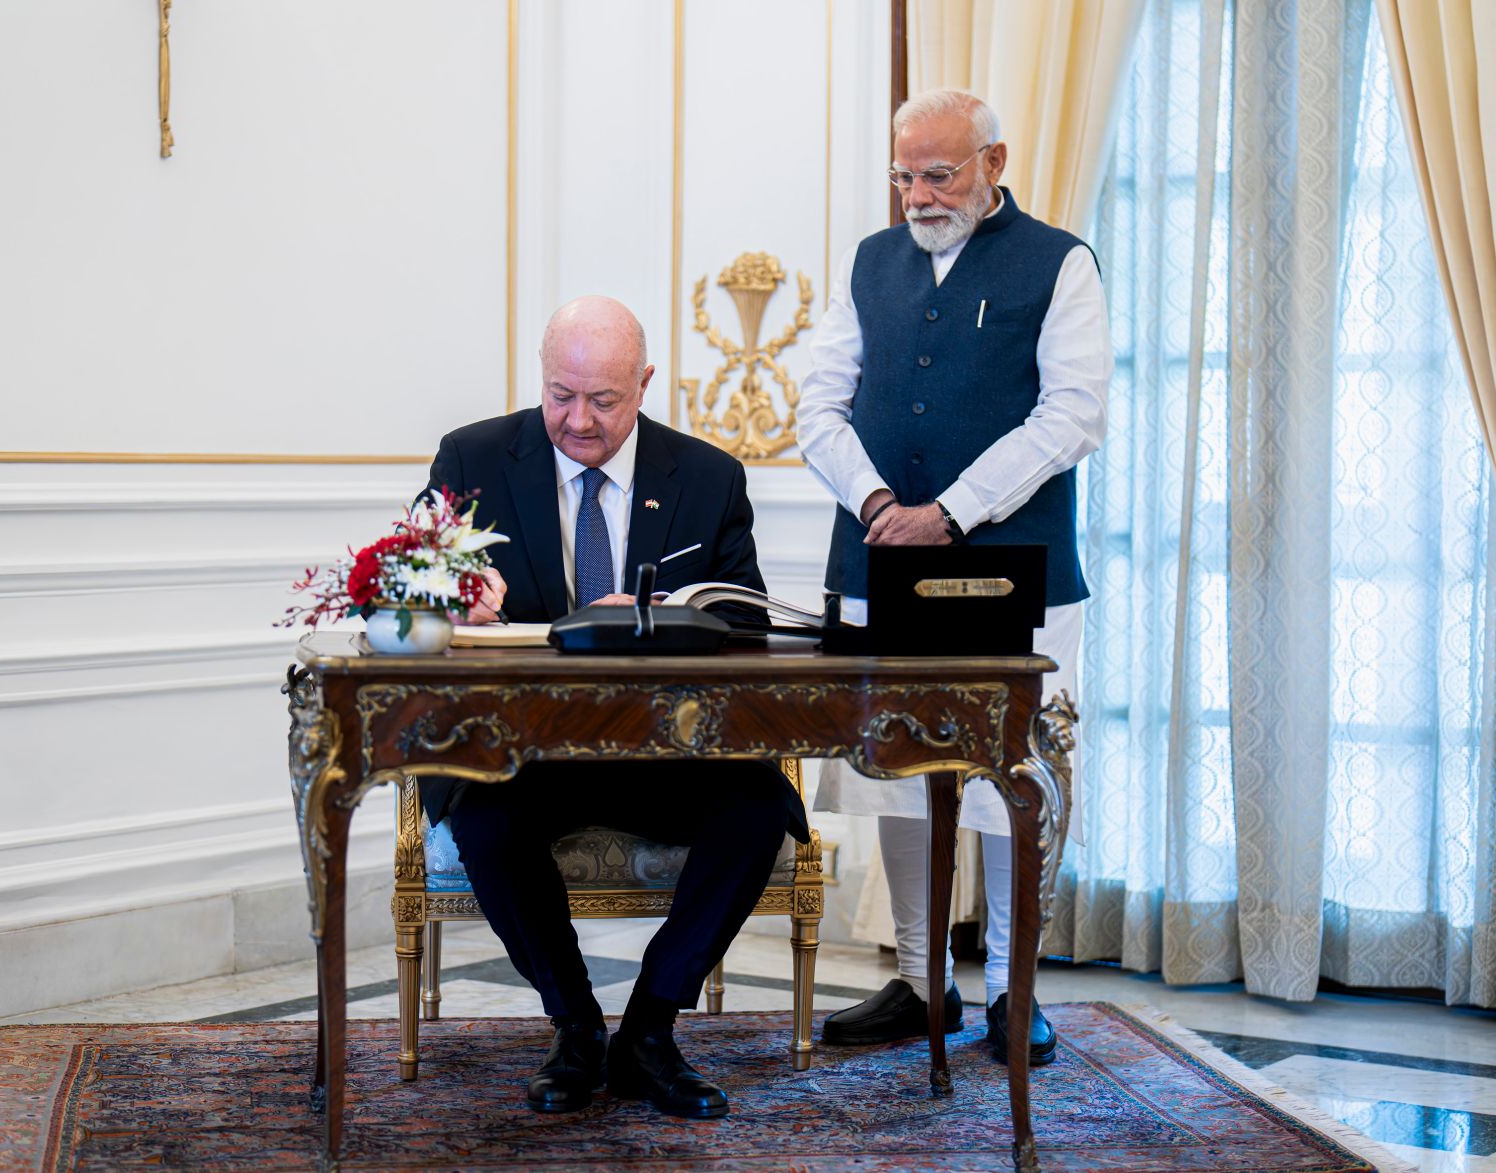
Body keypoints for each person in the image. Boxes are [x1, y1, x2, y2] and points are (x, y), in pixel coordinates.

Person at [423, 294, 809, 1118]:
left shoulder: (707, 477)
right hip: (526, 753)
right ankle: (575, 1026)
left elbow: (745, 619)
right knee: (484, 821)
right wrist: (454, 604)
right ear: (542, 377)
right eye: (561, 394)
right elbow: (414, 590)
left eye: (604, 400)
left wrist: (672, 621)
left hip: (663, 750)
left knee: (758, 806)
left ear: (644, 384)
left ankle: (650, 1028)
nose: (579, 421)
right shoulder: (472, 460)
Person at [796, 88, 1108, 1065]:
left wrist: (953, 512)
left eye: (938, 173)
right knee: (894, 774)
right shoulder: (868, 262)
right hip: (878, 557)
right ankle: (920, 986)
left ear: (992, 162)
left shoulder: (1058, 263)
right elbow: (817, 406)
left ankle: (1015, 993)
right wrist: (879, 505)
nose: (918, 195)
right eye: (903, 175)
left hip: (1015, 575)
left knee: (1011, 778)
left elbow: (1071, 416)